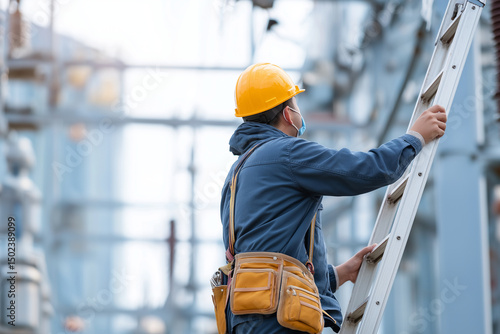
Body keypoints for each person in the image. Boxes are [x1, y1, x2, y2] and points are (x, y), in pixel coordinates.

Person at [219, 63, 446, 333]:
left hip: (245, 314)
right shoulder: (287, 154)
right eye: (295, 103)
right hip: (277, 315)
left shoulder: (236, 174)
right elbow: (366, 170)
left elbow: (268, 250)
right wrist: (415, 138)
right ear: (287, 113)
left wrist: (338, 275)